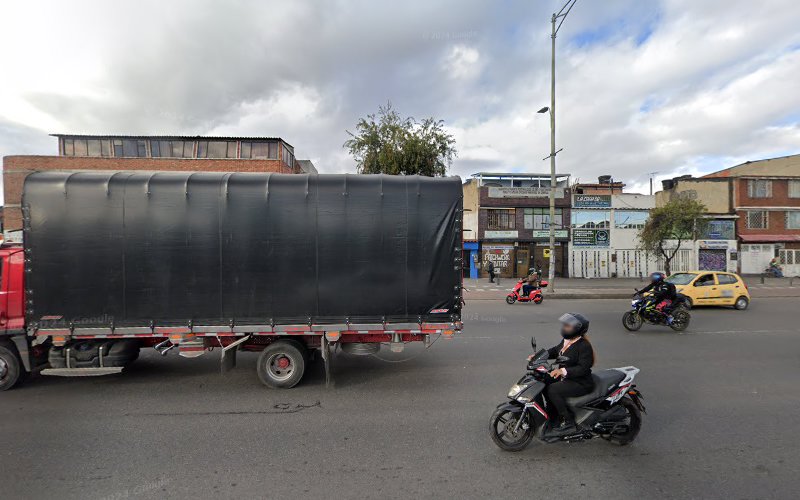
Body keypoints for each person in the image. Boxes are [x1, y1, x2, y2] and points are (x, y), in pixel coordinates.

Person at [545, 313, 595, 436]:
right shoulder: (567, 341)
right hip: (568, 378)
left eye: (568, 326)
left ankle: (569, 422)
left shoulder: (584, 346)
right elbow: (555, 351)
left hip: (581, 382)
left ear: (577, 329)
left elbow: (583, 368)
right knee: (545, 380)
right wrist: (539, 356)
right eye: (565, 325)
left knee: (553, 389)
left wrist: (562, 371)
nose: (564, 328)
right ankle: (553, 415)